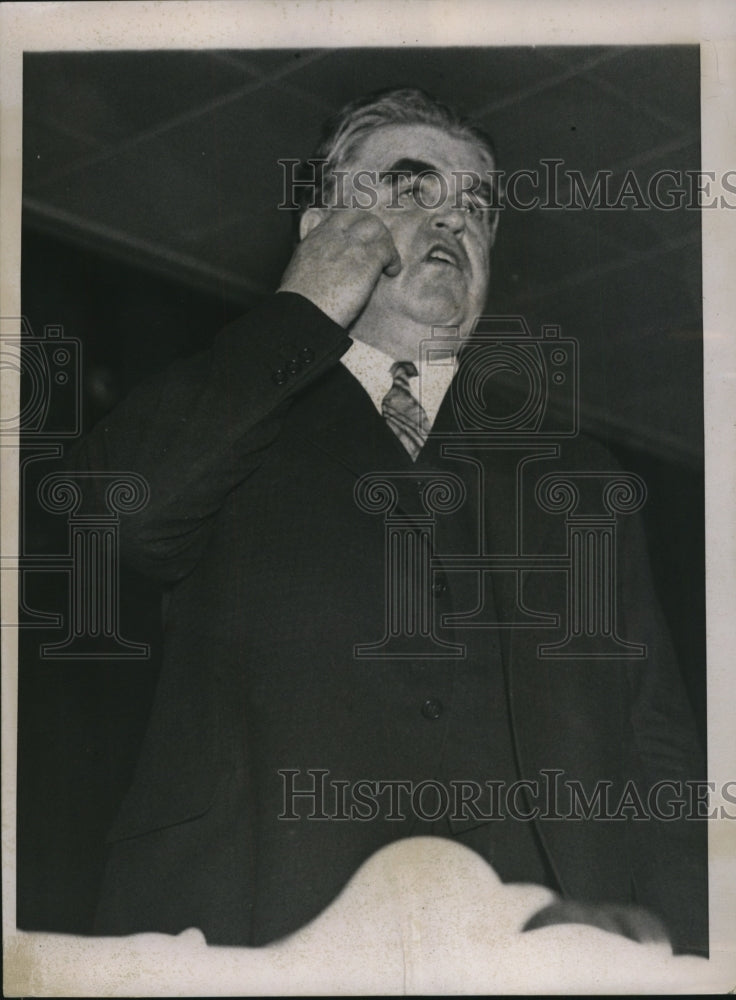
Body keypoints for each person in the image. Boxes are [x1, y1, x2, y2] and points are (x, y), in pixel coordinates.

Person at [68, 88, 707, 953]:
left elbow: (656, 744)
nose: (454, 219)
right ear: (321, 228)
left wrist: (689, 955)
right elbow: (116, 515)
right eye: (412, 188)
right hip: (254, 926)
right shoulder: (237, 412)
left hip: (536, 947)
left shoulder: (578, 477)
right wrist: (299, 313)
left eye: (475, 206)